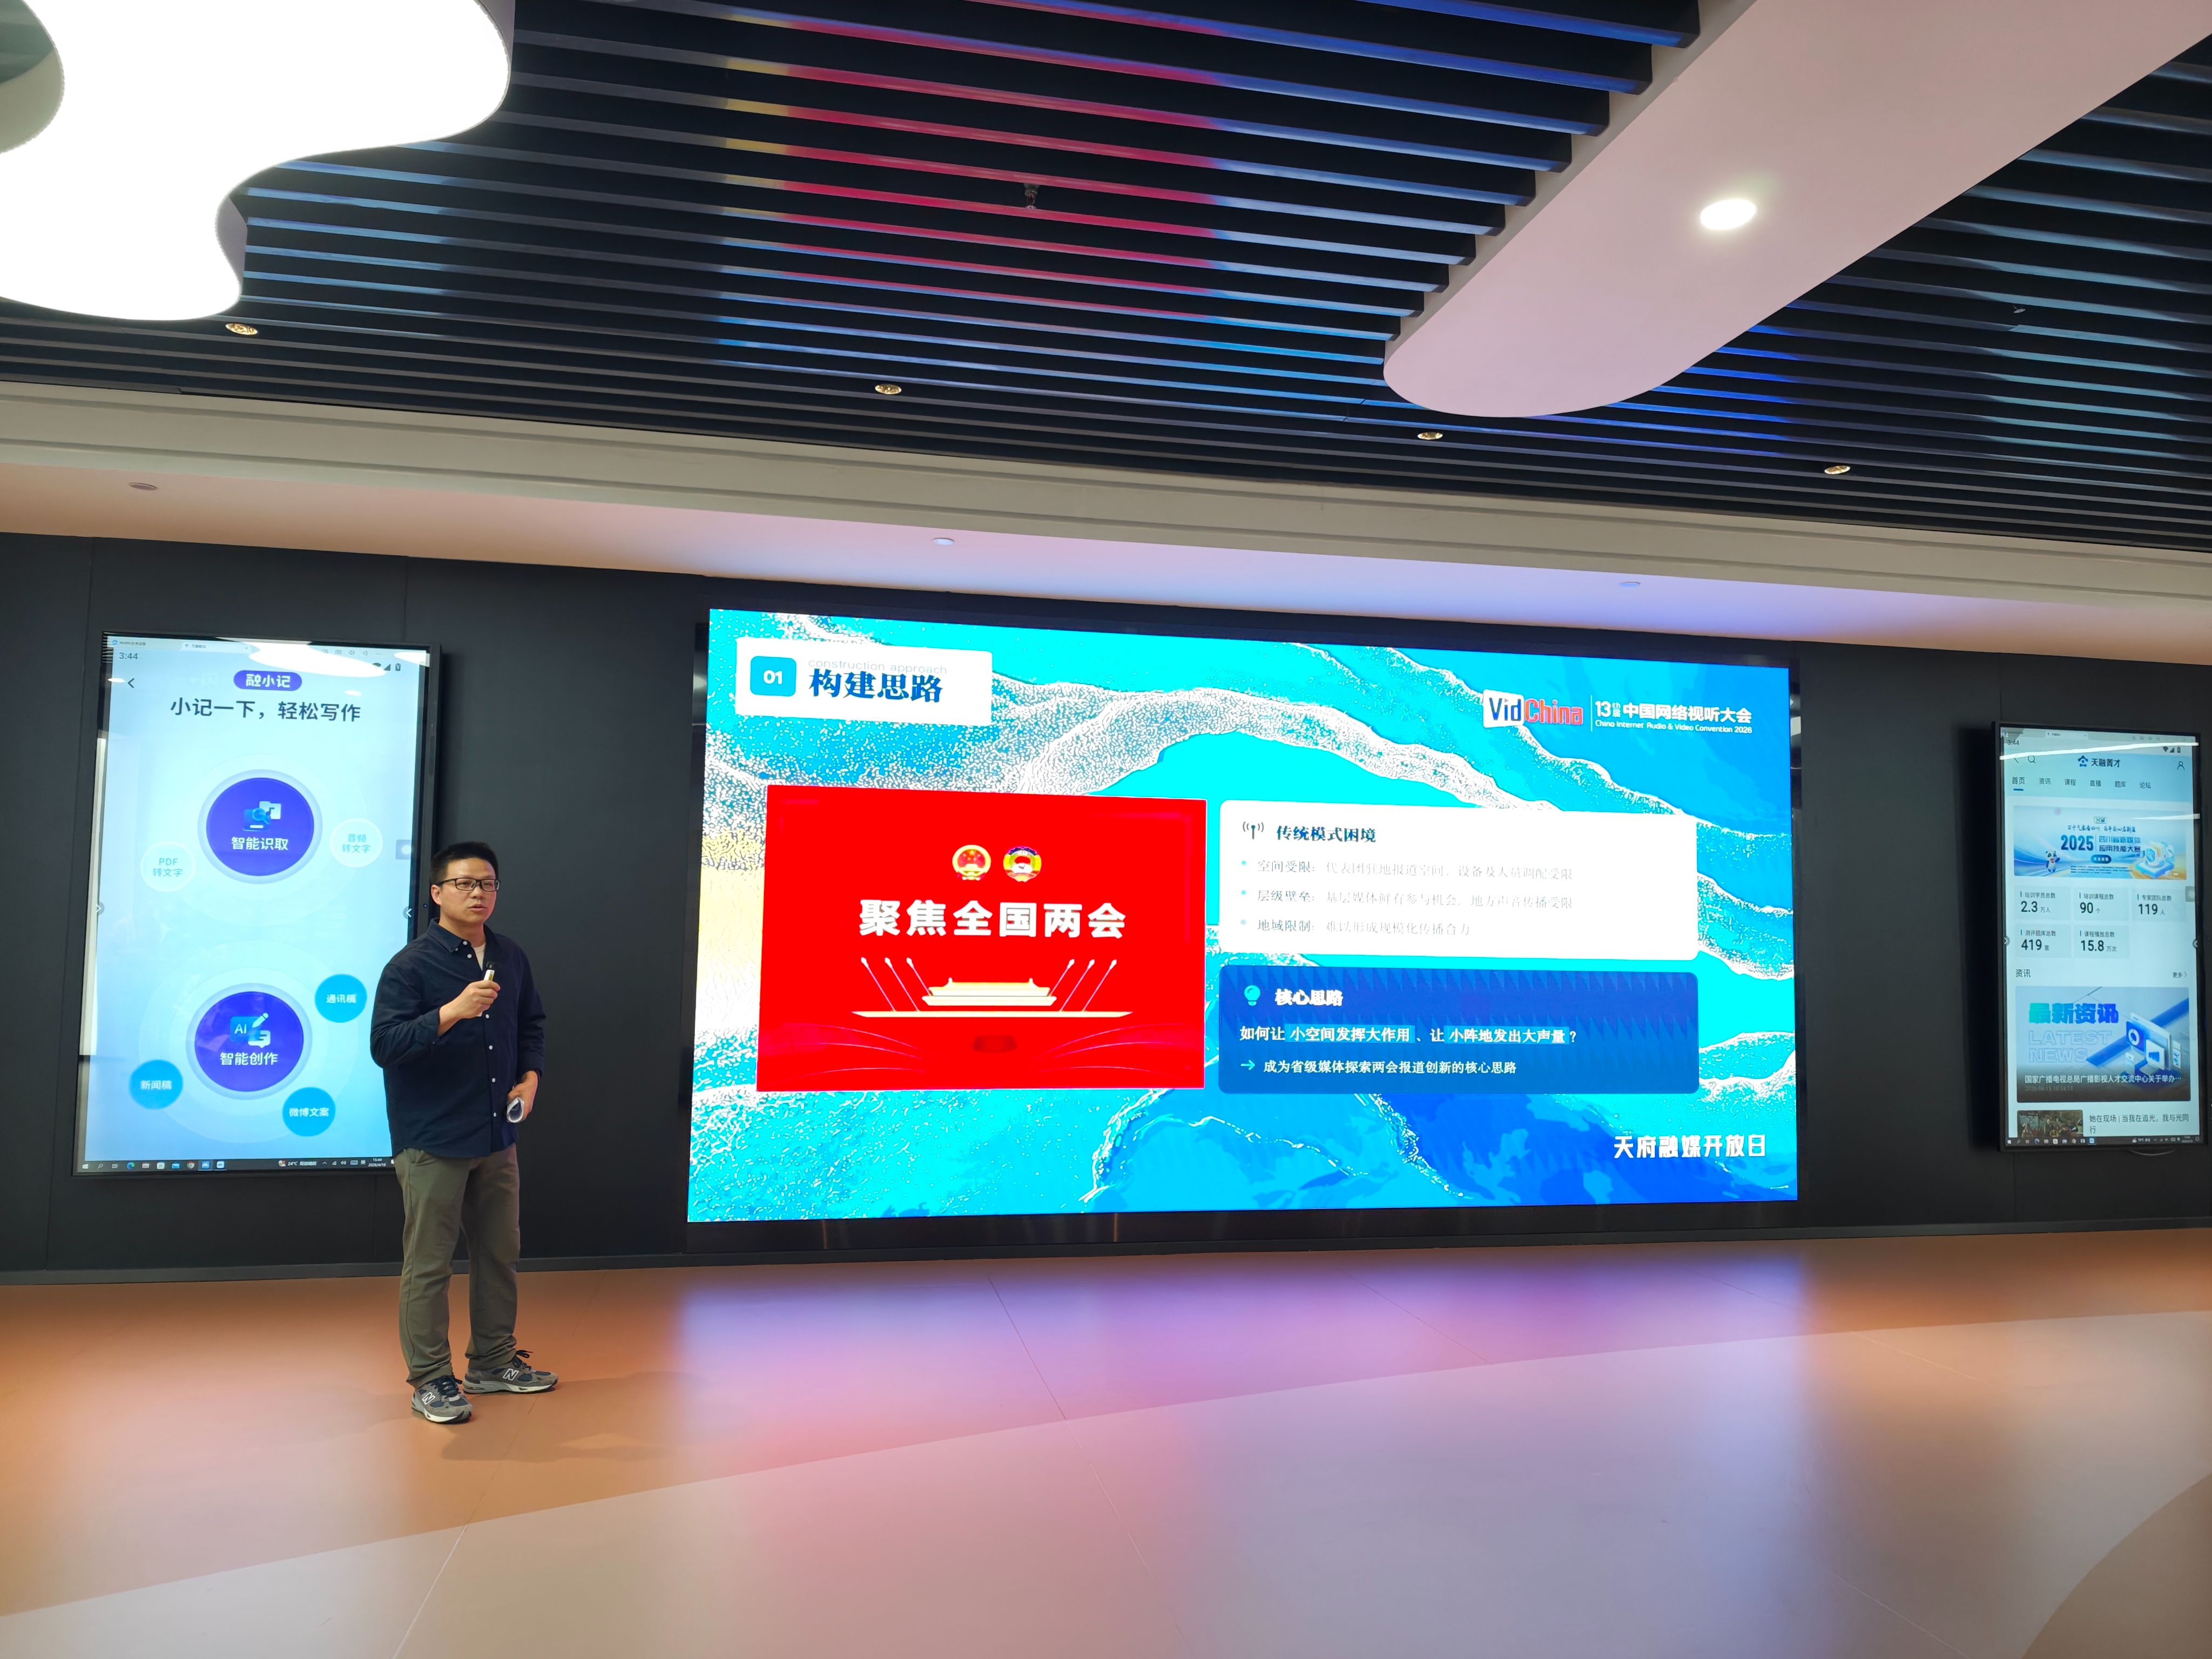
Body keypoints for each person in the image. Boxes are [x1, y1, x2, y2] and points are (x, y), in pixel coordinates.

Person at [370, 841, 557, 1424]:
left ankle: (493, 1362)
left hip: (496, 1136)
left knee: (499, 1254)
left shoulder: (509, 955)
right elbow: (386, 1046)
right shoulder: (410, 967)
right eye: (465, 884)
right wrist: (451, 1012)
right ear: (437, 893)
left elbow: (531, 1025)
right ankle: (431, 1379)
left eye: (488, 884)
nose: (478, 893)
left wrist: (530, 1079)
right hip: (433, 1139)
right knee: (428, 1266)